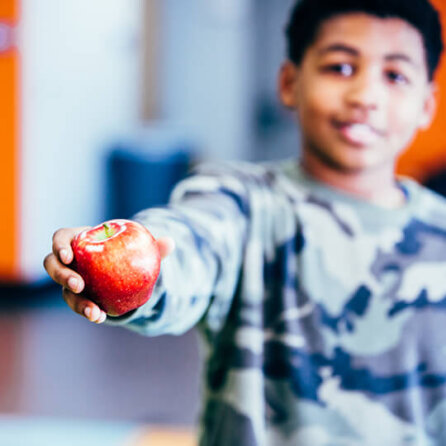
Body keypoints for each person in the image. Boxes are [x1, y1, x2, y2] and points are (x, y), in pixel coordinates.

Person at [44, 0, 445, 444]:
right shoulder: (238, 201)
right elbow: (189, 245)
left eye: (395, 75)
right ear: (290, 83)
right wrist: (143, 262)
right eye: (341, 68)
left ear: (427, 104)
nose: (366, 96)